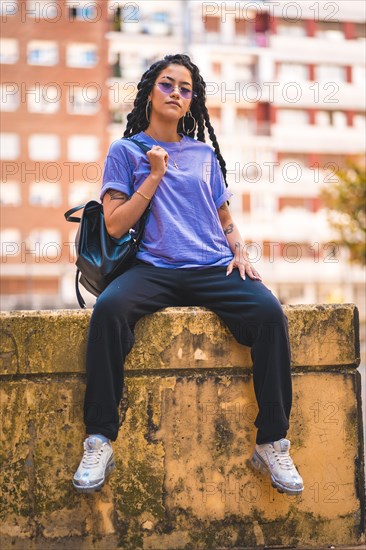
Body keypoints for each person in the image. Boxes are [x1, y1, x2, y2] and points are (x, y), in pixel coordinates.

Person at [72, 54, 304, 497]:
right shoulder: (126, 152)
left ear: (192, 101)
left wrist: (241, 252)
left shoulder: (203, 155)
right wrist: (154, 175)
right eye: (167, 84)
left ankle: (272, 440)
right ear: (149, 93)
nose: (177, 93)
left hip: (212, 267)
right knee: (109, 310)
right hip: (152, 271)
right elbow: (116, 223)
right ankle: (100, 438)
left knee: (270, 313)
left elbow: (223, 215)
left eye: (185, 88)